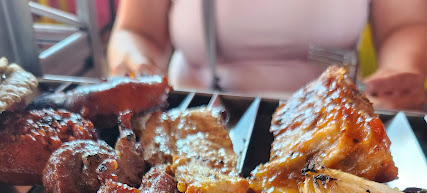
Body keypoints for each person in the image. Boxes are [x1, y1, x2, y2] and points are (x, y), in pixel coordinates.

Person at [107, 0, 427, 110]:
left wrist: (400, 70)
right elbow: (135, 32)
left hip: (334, 119)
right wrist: (134, 64)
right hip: (194, 118)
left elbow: (405, 24)